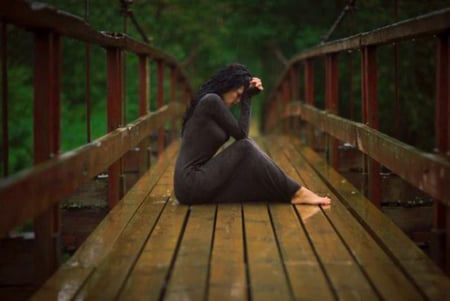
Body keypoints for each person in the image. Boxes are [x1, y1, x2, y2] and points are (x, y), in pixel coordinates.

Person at [174, 63, 331, 205]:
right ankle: (297, 192)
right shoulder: (211, 101)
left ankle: (292, 194)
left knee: (251, 181)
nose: (237, 100)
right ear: (228, 85)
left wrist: (246, 94)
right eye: (238, 94)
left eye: (241, 96)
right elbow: (242, 135)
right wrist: (247, 98)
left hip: (191, 186)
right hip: (191, 182)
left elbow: (240, 133)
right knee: (246, 147)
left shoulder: (212, 103)